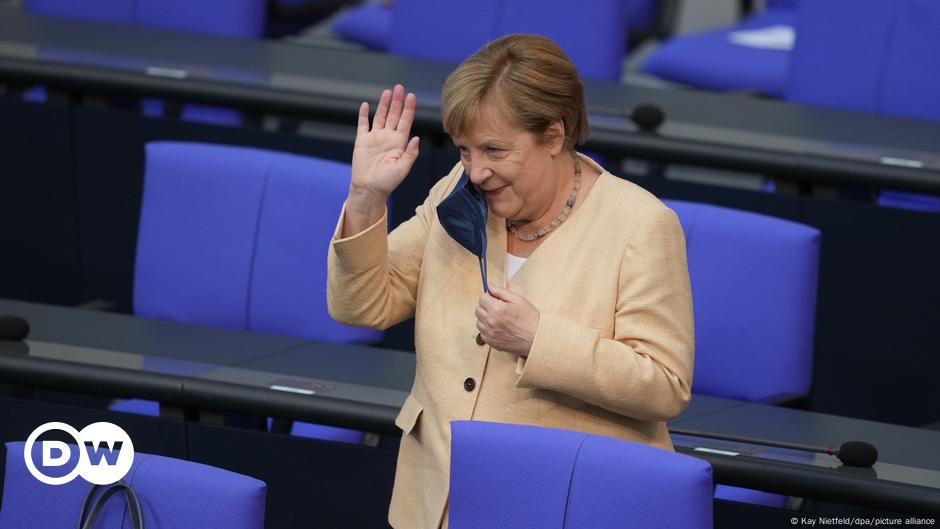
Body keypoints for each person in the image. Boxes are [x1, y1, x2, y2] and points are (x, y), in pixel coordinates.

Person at [327, 34, 694, 529]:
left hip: (563, 505)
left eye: (495, 150)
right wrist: (366, 198)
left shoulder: (640, 224)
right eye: (463, 150)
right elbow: (363, 308)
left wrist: (538, 339)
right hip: (436, 504)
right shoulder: (453, 195)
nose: (476, 172)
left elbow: (664, 385)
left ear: (554, 135)